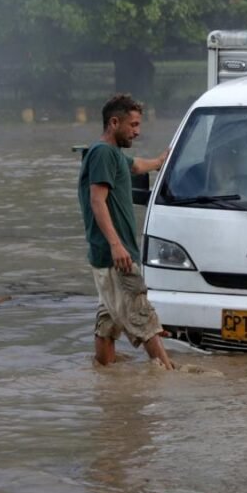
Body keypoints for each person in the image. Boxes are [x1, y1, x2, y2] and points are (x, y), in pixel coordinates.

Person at [78, 94, 173, 369]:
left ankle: (106, 380)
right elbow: (98, 200)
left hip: (105, 255)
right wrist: (117, 245)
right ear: (114, 122)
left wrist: (160, 160)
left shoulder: (114, 155)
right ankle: (167, 376)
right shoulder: (103, 154)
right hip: (116, 256)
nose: (137, 130)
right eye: (132, 125)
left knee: (107, 322)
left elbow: (135, 166)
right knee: (144, 317)